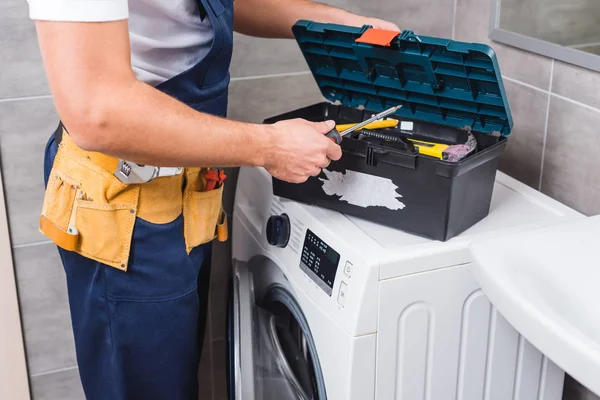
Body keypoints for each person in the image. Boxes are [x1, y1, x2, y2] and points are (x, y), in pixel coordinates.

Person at [28, 0, 399, 398]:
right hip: (125, 209)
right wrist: (269, 145)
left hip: (187, 199)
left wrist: (349, 27)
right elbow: (96, 111)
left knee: (175, 379)